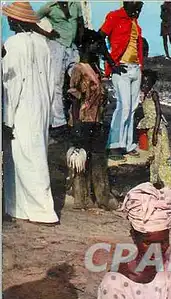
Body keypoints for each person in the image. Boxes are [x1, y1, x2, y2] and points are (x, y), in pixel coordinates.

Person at [2, 1, 59, 225]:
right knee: (34, 155)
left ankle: (42, 210)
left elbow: (12, 84)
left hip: (22, 107)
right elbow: (51, 81)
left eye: (10, 18)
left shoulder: (15, 44)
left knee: (24, 157)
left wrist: (7, 119)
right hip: (41, 106)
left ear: (16, 21)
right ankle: (19, 208)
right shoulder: (43, 43)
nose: (8, 21)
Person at [66, 29, 110, 209]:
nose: (98, 47)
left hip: (96, 120)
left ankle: (101, 197)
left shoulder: (95, 68)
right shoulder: (78, 69)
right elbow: (74, 99)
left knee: (98, 159)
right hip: (83, 121)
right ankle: (81, 199)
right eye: (96, 44)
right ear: (86, 45)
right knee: (81, 161)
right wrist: (76, 125)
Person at [99, 2, 144, 161]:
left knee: (132, 108)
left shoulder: (134, 20)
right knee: (123, 106)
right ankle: (114, 145)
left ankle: (127, 144)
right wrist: (111, 64)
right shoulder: (114, 16)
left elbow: (137, 45)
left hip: (135, 68)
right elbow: (99, 38)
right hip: (121, 68)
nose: (138, 7)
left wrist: (140, 67)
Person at [37, 1, 84, 133]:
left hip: (72, 47)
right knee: (56, 83)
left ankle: (76, 119)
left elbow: (80, 24)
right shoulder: (49, 6)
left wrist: (79, 43)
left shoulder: (75, 4)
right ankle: (58, 122)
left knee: (78, 80)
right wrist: (47, 33)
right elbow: (32, 20)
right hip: (56, 46)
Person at [137, 70, 171, 190]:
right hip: (151, 130)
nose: (144, 86)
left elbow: (159, 114)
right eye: (142, 83)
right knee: (155, 157)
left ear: (152, 84)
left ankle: (168, 185)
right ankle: (158, 184)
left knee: (161, 157)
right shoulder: (144, 96)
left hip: (158, 130)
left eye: (146, 84)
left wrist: (154, 133)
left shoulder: (153, 94)